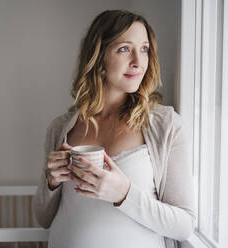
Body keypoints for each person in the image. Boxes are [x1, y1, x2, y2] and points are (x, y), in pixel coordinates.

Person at [32, 10, 196, 248]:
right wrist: (51, 183)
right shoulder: (60, 128)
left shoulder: (166, 124)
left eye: (144, 49)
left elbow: (184, 225)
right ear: (99, 57)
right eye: (124, 49)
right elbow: (43, 218)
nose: (138, 62)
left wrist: (125, 194)